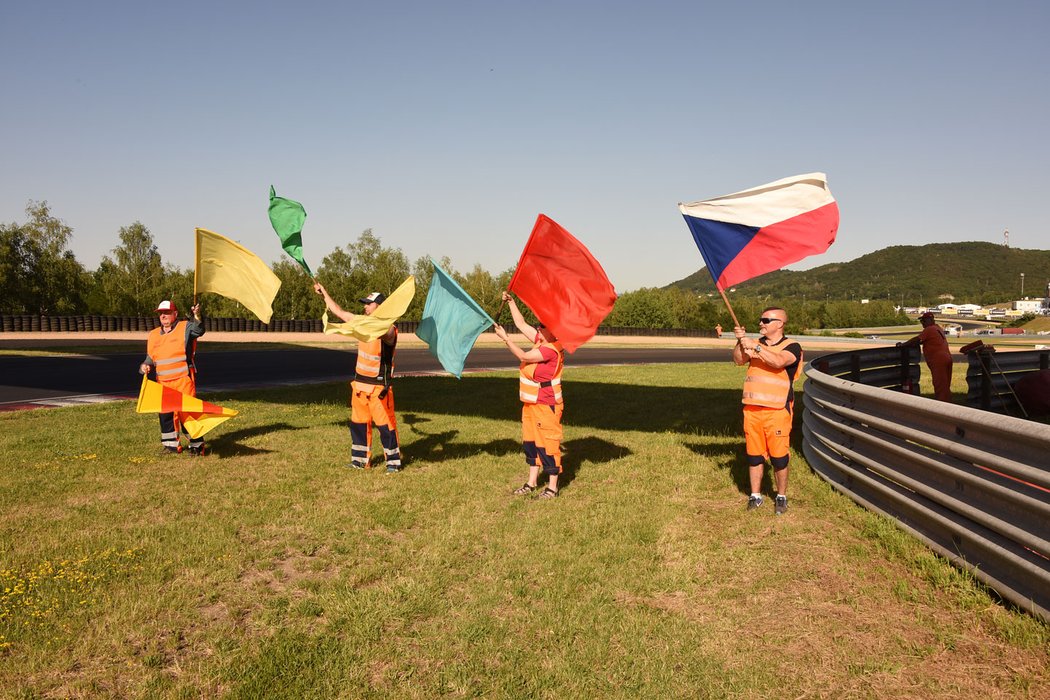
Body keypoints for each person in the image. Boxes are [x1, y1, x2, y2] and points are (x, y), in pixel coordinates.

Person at [313, 282, 403, 473]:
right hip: (360, 386)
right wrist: (325, 294)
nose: (365, 307)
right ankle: (360, 461)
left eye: (368, 304)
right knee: (358, 425)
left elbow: (386, 333)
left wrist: (380, 321)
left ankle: (393, 463)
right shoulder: (362, 322)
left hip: (379, 389)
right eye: (365, 304)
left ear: (380, 306)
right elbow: (340, 312)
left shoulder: (389, 330)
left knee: (386, 427)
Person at [492, 291, 565, 499]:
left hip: (546, 405)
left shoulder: (550, 349)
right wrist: (512, 303)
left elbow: (523, 355)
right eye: (539, 326)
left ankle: (552, 487)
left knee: (548, 444)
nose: (538, 329)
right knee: (531, 442)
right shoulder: (542, 340)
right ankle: (531, 483)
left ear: (553, 332)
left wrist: (505, 339)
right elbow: (522, 324)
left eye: (542, 327)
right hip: (531, 404)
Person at [733, 307, 802, 515]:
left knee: (779, 458)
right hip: (752, 410)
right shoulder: (756, 344)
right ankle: (755, 496)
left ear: (779, 323)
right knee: (754, 456)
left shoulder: (792, 346)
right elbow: (738, 359)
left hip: (777, 412)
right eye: (760, 319)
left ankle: (780, 496)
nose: (761, 323)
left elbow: (779, 361)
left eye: (766, 320)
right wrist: (740, 341)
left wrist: (756, 347)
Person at [139, 300, 206, 454]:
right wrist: (145, 365)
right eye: (161, 313)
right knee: (166, 415)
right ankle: (171, 445)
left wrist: (197, 315)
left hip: (183, 379)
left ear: (175, 314)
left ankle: (197, 446)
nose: (164, 316)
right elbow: (151, 357)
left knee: (189, 413)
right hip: (163, 382)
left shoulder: (185, 327)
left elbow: (199, 330)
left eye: (167, 312)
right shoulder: (154, 334)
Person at [898, 311, 953, 402]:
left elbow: (917, 339)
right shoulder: (937, 328)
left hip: (938, 359)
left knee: (940, 385)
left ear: (930, 320)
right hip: (947, 357)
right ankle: (948, 404)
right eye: (921, 321)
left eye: (924, 321)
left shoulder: (929, 329)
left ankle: (942, 407)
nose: (922, 323)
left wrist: (904, 345)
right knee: (945, 385)